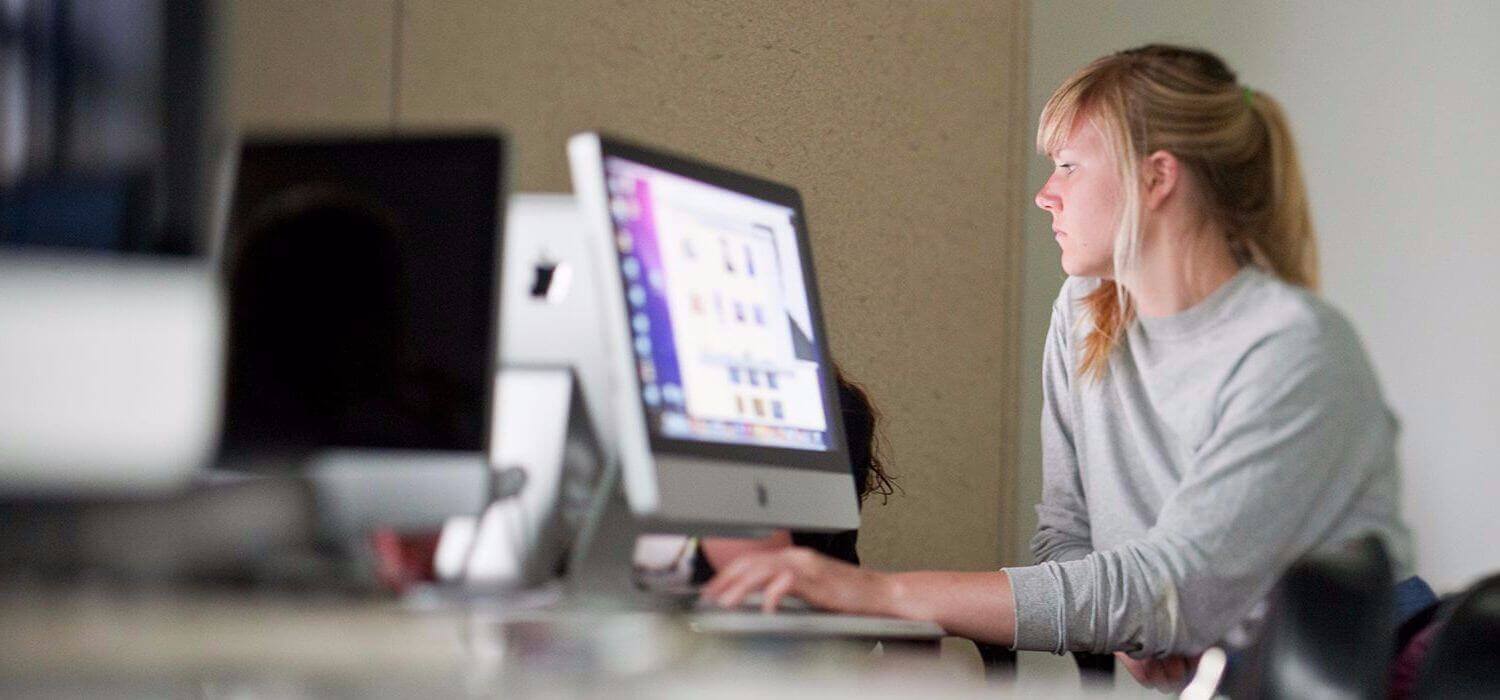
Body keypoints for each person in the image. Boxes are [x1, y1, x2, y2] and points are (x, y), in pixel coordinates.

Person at [702, 44, 1433, 691]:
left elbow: (1172, 586)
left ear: (1157, 179)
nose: (1045, 194)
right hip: (1215, 673)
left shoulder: (1294, 347)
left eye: (1068, 166)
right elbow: (1068, 537)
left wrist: (875, 593)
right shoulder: (1084, 310)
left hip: (1346, 676)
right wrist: (1132, 627)